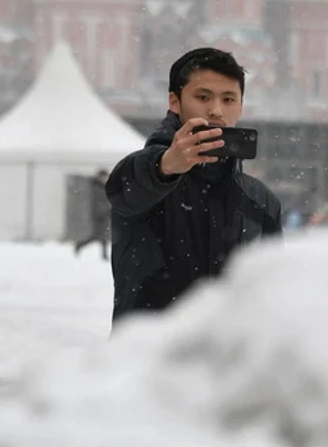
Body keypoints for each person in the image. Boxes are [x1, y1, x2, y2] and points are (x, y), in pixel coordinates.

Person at [107, 47, 282, 324]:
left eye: (228, 99)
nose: (216, 111)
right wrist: (166, 165)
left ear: (241, 106)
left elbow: (271, 292)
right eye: (202, 97)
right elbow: (123, 189)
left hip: (228, 360)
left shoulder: (261, 201)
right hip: (149, 359)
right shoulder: (146, 173)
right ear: (174, 102)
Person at [75, 169, 110, 260]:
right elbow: (98, 202)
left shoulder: (101, 187)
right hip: (99, 215)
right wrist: (105, 210)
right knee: (97, 235)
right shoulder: (98, 187)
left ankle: (104, 254)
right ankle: (80, 245)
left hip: (103, 215)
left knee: (103, 236)